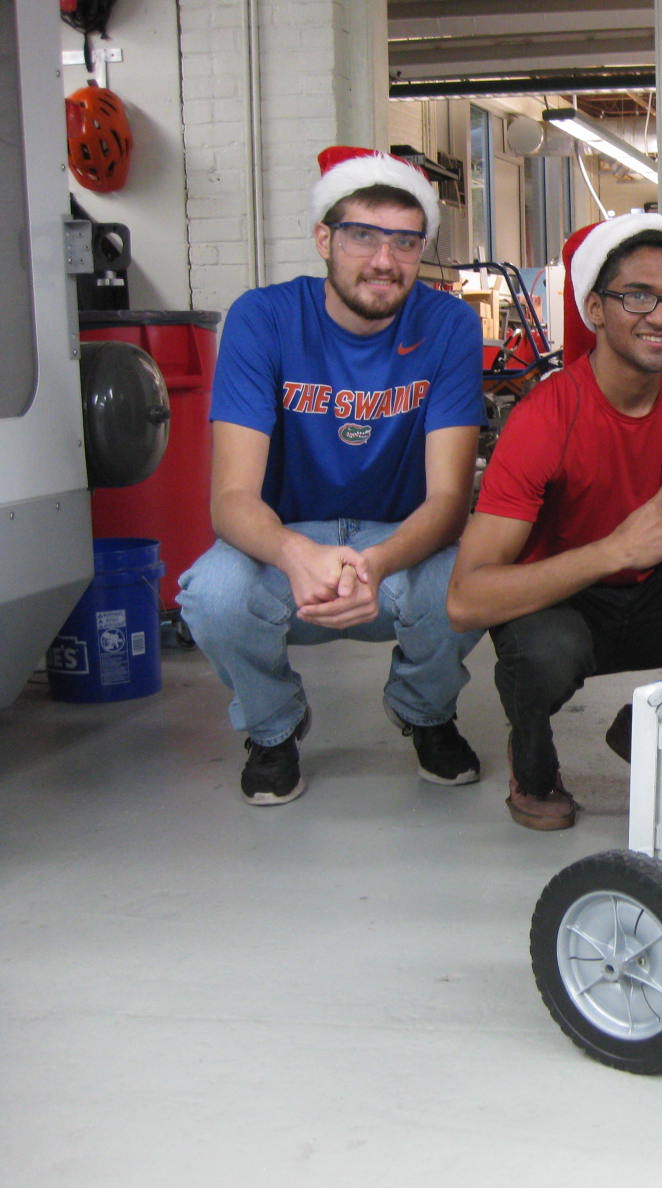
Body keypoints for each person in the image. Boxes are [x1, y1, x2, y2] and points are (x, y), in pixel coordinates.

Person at [178, 146, 485, 806]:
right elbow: (231, 499)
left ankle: (424, 711)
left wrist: (374, 564)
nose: (384, 260)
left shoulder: (449, 324)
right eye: (362, 236)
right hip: (287, 538)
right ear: (324, 239)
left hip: (399, 543)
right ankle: (273, 727)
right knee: (212, 594)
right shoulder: (263, 318)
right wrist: (297, 554)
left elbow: (449, 500)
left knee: (471, 582)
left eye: (405, 242)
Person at [448, 213, 662, 832]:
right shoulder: (546, 418)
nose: (661, 316)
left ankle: (657, 725)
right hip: (556, 604)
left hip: (646, 600)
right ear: (595, 308)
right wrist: (614, 550)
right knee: (546, 651)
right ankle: (533, 765)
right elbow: (465, 599)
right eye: (637, 295)